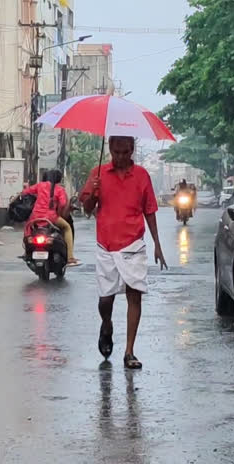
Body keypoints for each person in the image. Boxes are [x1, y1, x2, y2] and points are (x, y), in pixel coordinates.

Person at [80, 136, 167, 369]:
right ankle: (106, 325)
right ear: (110, 149)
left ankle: (129, 351)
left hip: (133, 243)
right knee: (105, 299)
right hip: (106, 244)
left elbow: (149, 210)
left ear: (132, 151)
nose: (120, 157)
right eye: (116, 152)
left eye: (125, 152)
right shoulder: (97, 173)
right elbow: (87, 209)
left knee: (134, 293)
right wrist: (94, 194)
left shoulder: (141, 176)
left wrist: (157, 243)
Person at [22, 169, 79, 266]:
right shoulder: (59, 189)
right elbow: (63, 203)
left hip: (35, 216)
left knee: (28, 228)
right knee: (67, 228)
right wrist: (59, 212)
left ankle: (26, 252)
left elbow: (25, 192)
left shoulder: (40, 185)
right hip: (51, 217)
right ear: (58, 179)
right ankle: (70, 257)